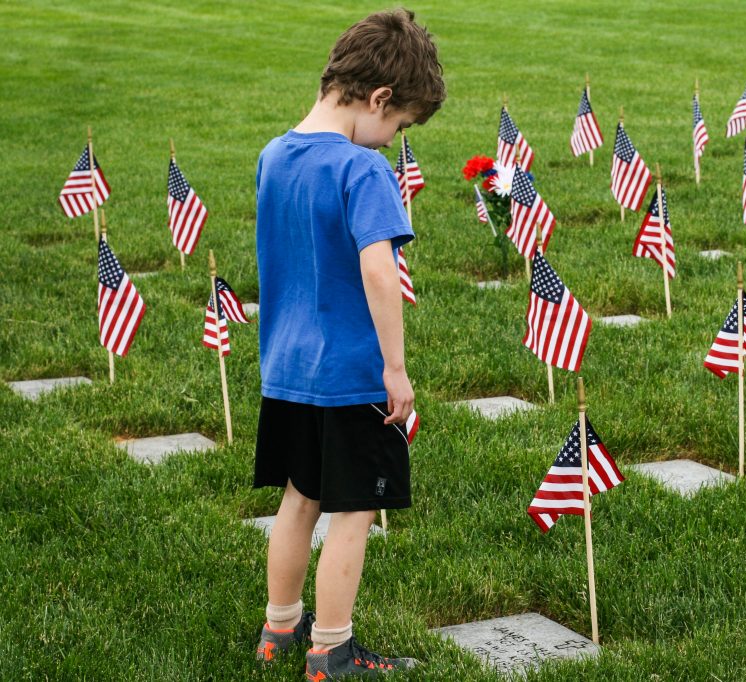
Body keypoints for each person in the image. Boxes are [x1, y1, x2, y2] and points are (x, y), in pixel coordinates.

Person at [251, 9, 444, 678]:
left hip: (287, 369)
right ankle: (331, 647)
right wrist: (395, 367)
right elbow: (377, 270)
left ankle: (279, 629)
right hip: (352, 375)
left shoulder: (273, 156)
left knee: (299, 497)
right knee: (354, 510)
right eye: (399, 126)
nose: (392, 141)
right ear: (380, 99)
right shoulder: (361, 171)